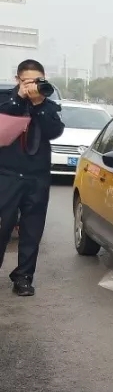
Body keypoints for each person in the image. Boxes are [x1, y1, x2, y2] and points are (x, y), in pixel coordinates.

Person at [0, 60, 64, 297]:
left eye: (38, 81)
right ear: (18, 80)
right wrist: (19, 98)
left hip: (37, 176)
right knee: (2, 226)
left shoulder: (48, 105)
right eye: (28, 81)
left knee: (32, 231)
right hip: (6, 174)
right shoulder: (5, 99)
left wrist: (38, 103)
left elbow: (54, 131)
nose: (33, 86)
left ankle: (23, 277)